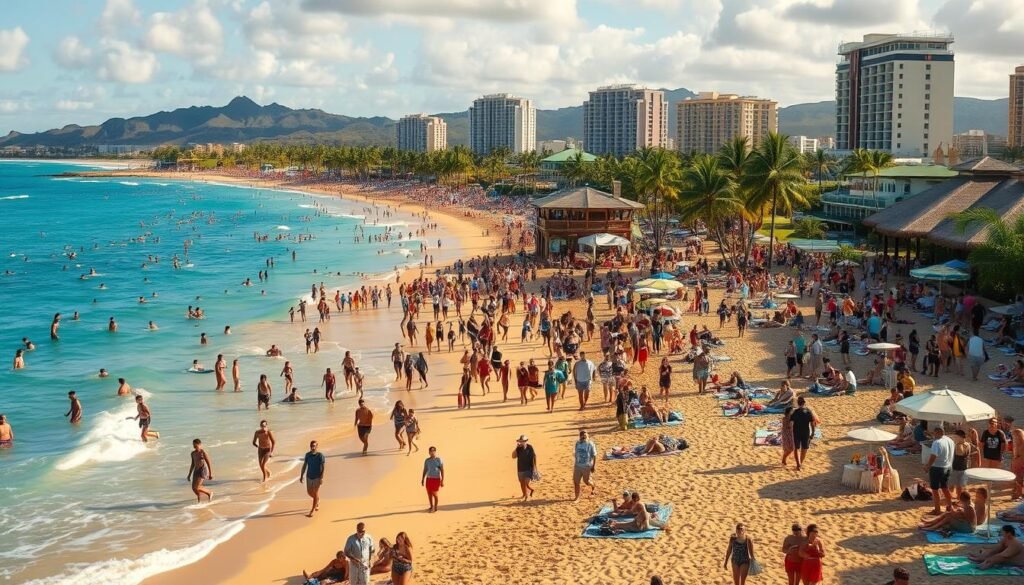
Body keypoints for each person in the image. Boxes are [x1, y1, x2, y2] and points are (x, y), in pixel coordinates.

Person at [925, 425, 955, 516]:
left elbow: (934, 455)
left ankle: (937, 509)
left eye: (934, 433)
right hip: (948, 466)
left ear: (938, 433)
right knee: (944, 487)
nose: (934, 435)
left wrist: (928, 466)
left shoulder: (937, 443)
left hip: (937, 467)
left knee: (935, 489)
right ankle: (949, 506)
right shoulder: (949, 440)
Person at [789, 397, 817, 471]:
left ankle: (798, 464)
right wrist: (813, 433)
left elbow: (791, 424)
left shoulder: (794, 412)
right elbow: (812, 424)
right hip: (805, 432)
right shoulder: (808, 412)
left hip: (796, 432)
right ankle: (800, 463)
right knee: (804, 448)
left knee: (796, 448)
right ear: (804, 403)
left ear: (798, 403)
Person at [300, 440, 326, 517]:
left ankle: (312, 511)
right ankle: (317, 499)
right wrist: (301, 476)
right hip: (309, 476)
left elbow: (323, 467)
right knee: (309, 492)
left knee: (315, 493)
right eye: (312, 446)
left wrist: (321, 477)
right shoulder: (307, 455)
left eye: (314, 446)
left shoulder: (320, 455)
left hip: (317, 477)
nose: (313, 447)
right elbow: (305, 465)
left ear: (317, 446)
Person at [572, 428, 597, 501]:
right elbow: (576, 453)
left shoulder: (590, 444)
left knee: (587, 482)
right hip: (577, 466)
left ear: (587, 436)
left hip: (587, 466)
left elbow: (594, 455)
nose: (583, 437)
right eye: (582, 436)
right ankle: (577, 497)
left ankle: (593, 485)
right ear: (580, 437)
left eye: (585, 436)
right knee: (576, 482)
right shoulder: (577, 443)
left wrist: (593, 466)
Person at [186, 438, 213, 502]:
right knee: (194, 488)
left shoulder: (203, 452)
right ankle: (200, 498)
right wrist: (189, 474)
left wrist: (210, 474)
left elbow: (208, 462)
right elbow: (192, 464)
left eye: (196, 445)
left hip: (202, 470)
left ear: (200, 444)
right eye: (193, 445)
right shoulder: (192, 453)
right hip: (196, 470)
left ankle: (209, 493)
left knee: (197, 487)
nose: (194, 447)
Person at [513, 434, 537, 501]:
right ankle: (524, 494)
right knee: (522, 483)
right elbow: (513, 456)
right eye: (520, 441)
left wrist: (535, 467)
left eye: (523, 441)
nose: (521, 442)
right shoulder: (518, 448)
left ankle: (527, 495)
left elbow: (534, 457)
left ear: (526, 441)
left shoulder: (530, 447)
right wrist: (516, 447)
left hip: (528, 469)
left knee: (526, 483)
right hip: (520, 469)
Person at [421, 446, 444, 512]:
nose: (432, 452)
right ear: (429, 452)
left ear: (435, 451)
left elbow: (442, 470)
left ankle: (435, 507)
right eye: (431, 451)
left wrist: (442, 480)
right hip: (428, 479)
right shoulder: (427, 460)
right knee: (429, 494)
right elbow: (425, 470)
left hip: (436, 479)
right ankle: (431, 506)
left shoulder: (439, 459)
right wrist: (422, 479)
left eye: (433, 451)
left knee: (435, 494)